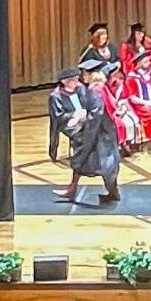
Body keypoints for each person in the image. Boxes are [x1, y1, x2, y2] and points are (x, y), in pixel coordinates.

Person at [58, 66, 123, 206]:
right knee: (90, 163)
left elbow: (96, 115)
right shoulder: (101, 88)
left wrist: (85, 131)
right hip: (106, 131)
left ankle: (113, 192)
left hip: (100, 134)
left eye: (85, 74)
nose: (83, 77)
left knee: (102, 164)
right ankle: (73, 189)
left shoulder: (95, 91)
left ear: (91, 75)